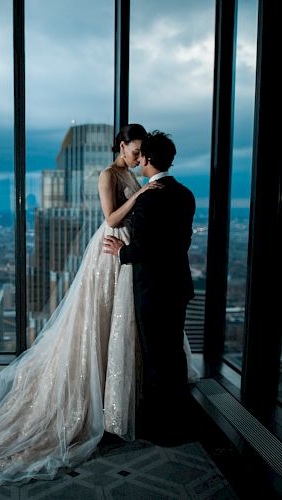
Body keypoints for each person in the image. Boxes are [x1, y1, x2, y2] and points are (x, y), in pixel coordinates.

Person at [0, 124, 196, 485]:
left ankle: (131, 404)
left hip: (133, 259)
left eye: (143, 153)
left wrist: (133, 235)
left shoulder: (140, 178)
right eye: (134, 150)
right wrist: (138, 201)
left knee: (130, 329)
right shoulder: (112, 175)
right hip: (116, 253)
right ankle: (121, 408)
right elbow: (111, 218)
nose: (138, 157)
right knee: (104, 323)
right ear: (123, 146)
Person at [103, 130, 196, 443]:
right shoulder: (186, 194)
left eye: (142, 154)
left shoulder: (149, 198)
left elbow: (144, 248)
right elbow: (181, 242)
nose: (138, 158)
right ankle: (182, 420)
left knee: (157, 360)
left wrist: (121, 251)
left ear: (147, 159)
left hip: (152, 291)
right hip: (178, 286)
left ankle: (165, 429)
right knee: (174, 357)